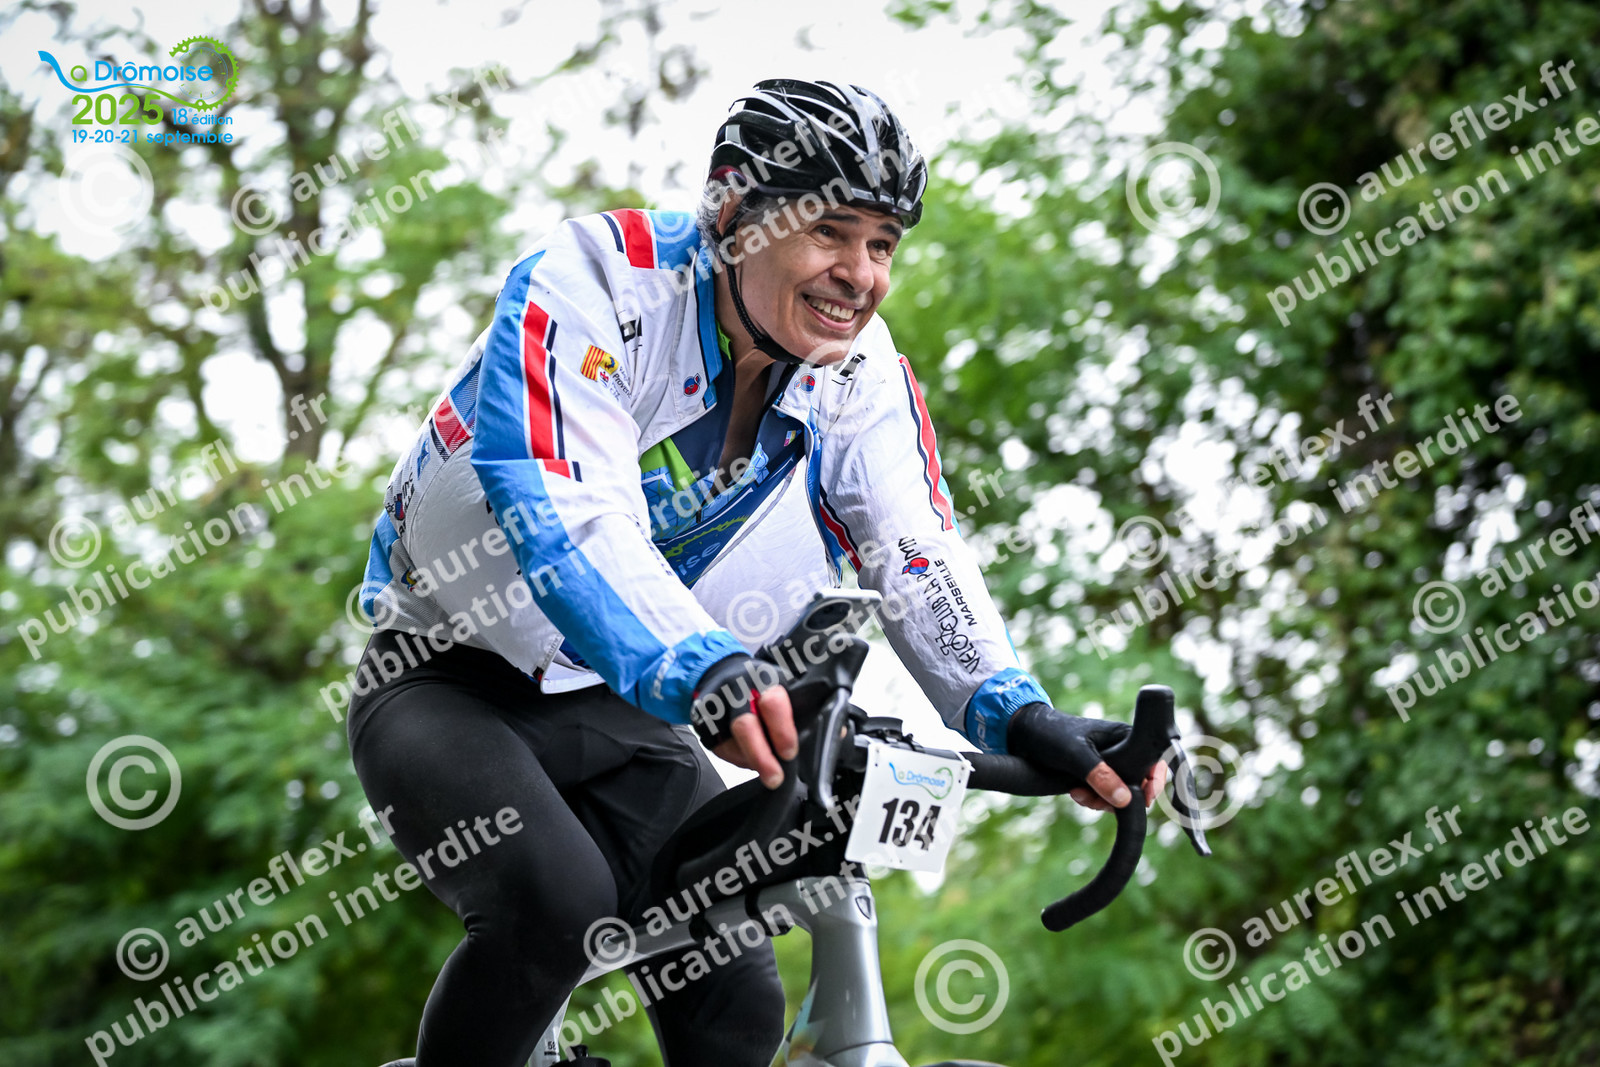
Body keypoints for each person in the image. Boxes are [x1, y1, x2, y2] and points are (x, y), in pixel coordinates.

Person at [351, 78, 1166, 1067]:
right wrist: (708, 668)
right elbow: (567, 513)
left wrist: (1017, 712)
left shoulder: (858, 370)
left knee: (733, 981)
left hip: (620, 706)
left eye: (883, 244)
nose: (860, 274)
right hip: (444, 675)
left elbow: (915, 551)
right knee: (555, 908)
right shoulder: (598, 280)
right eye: (831, 231)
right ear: (735, 212)